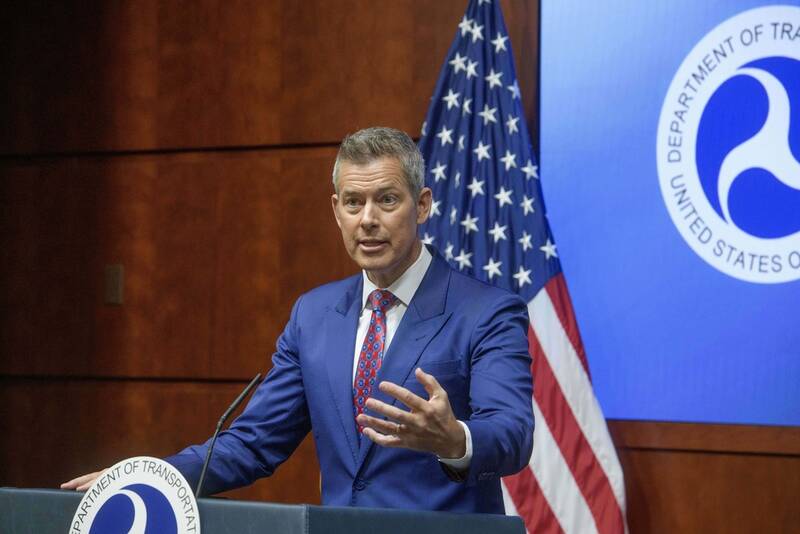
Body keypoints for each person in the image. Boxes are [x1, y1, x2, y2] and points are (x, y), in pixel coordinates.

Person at [62, 127, 534, 513]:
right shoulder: (314, 315)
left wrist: (455, 439)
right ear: (336, 211)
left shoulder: (487, 311)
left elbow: (513, 433)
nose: (368, 219)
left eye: (387, 200)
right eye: (353, 202)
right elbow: (253, 443)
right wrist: (148, 477)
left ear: (423, 205)